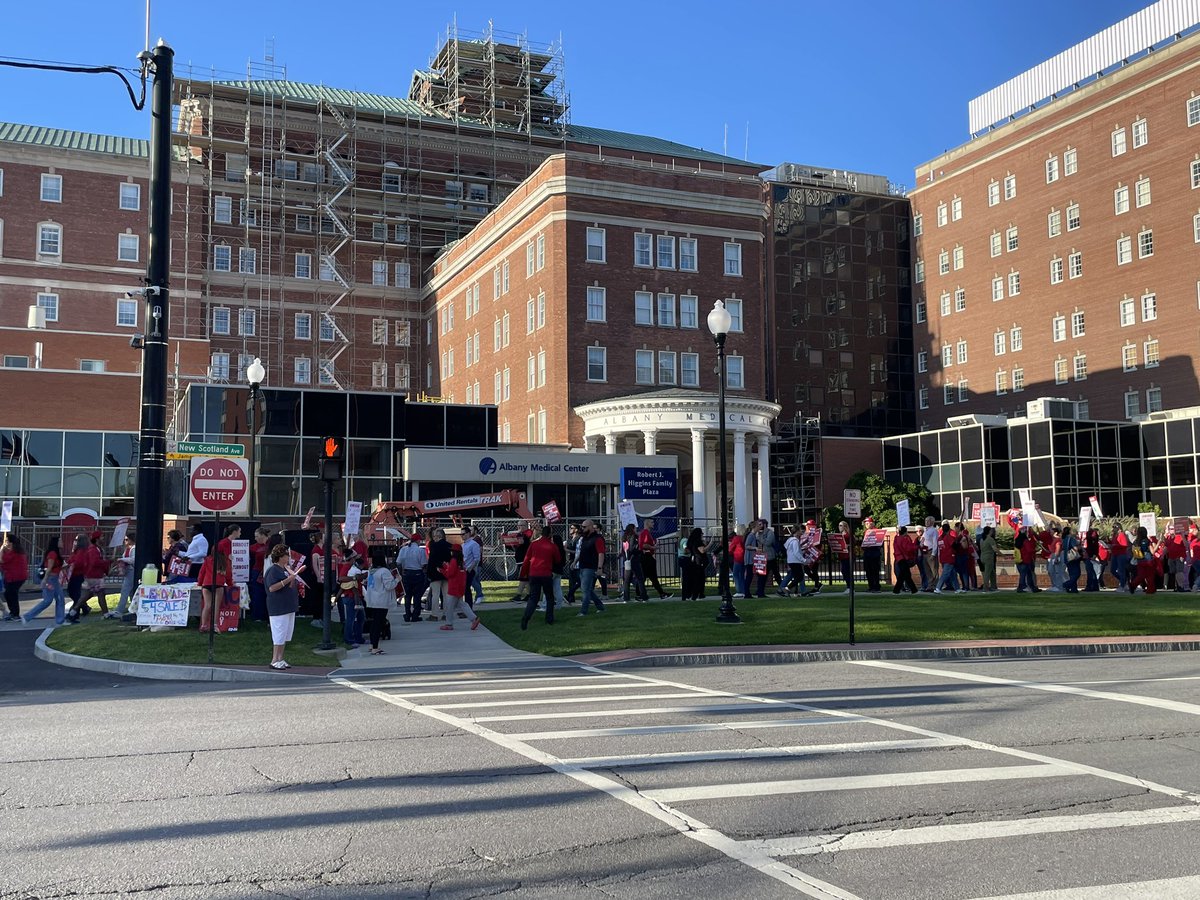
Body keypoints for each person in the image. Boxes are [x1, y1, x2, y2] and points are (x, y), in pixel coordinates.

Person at [263, 544, 302, 669]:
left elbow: (290, 586)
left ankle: (281, 658)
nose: (288, 558)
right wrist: (287, 579)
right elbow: (272, 587)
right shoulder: (272, 570)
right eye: (286, 555)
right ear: (279, 557)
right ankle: (274, 659)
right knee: (279, 633)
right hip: (278, 607)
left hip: (288, 606)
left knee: (285, 634)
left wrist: (292, 577)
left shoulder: (284, 569)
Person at [520, 525, 563, 629]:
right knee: (549, 597)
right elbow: (558, 560)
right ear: (550, 535)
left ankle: (526, 617)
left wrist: (523, 574)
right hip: (546, 574)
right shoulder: (552, 546)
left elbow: (526, 560)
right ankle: (549, 619)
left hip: (534, 574)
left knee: (533, 598)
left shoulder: (534, 544)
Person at [24, 536, 66, 625]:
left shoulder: (56, 553)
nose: (62, 543)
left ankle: (60, 620)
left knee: (60, 599)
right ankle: (27, 616)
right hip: (50, 580)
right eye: (60, 541)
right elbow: (49, 568)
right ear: (56, 543)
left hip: (54, 579)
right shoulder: (52, 554)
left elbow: (56, 567)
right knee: (48, 600)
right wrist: (44, 580)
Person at [362, 551, 397, 654]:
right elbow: (389, 586)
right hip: (381, 600)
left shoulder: (371, 571)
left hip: (372, 599)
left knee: (374, 623)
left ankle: (372, 644)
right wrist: (397, 580)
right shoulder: (384, 571)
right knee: (379, 624)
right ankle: (375, 647)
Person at [438, 546, 479, 631]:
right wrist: (446, 567)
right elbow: (455, 572)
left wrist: (442, 570)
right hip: (460, 587)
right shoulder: (462, 562)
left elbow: (450, 574)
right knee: (462, 604)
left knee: (449, 606)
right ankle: (473, 619)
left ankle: (449, 624)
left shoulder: (454, 561)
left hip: (453, 587)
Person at [197, 548, 233, 633]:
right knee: (216, 606)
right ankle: (215, 625)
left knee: (207, 605)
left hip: (207, 584)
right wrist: (230, 583)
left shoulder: (207, 560)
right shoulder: (224, 561)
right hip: (218, 584)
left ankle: (203, 625)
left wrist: (199, 583)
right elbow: (228, 574)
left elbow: (202, 572)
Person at [77, 531, 112, 618]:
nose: (103, 538)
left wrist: (106, 569)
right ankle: (106, 614)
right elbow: (95, 562)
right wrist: (108, 562)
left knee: (88, 595)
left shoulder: (97, 549)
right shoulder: (93, 549)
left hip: (93, 575)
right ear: (97, 539)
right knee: (100, 594)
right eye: (102, 537)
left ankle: (73, 611)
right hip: (95, 576)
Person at [576, 519, 607, 615]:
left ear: (590, 526)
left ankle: (583, 611)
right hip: (582, 565)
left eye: (584, 527)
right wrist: (575, 561)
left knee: (585, 590)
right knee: (587, 589)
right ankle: (600, 607)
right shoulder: (585, 538)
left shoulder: (598, 539)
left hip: (590, 567)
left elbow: (601, 554)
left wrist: (599, 568)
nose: (582, 528)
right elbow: (582, 552)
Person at [397, 532, 428, 623]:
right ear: (418, 541)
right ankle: (415, 614)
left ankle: (407, 614)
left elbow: (398, 562)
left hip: (406, 573)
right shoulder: (420, 551)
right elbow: (423, 564)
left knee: (407, 595)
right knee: (417, 596)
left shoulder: (403, 549)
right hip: (417, 573)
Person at [638, 519, 671, 600]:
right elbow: (644, 545)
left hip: (647, 557)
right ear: (647, 523)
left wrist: (654, 546)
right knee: (651, 576)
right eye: (652, 522)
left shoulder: (646, 533)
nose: (653, 524)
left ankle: (641, 594)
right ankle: (661, 594)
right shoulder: (645, 533)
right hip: (647, 557)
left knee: (647, 577)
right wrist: (653, 547)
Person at [425, 528, 453, 621]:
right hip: (447, 572)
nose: (434, 538)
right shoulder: (450, 546)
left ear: (439, 536)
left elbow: (431, 560)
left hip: (435, 573)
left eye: (435, 536)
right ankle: (446, 614)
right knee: (446, 595)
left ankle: (435, 614)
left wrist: (429, 573)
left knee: (435, 594)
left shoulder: (434, 546)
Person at [0, 534, 29, 621]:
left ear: (12, 543)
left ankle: (15, 613)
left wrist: (1, 549)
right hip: (12, 576)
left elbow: (2, 560)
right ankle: (13, 613)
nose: (6, 543)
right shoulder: (15, 551)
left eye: (7, 541)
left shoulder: (15, 552)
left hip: (16, 577)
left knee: (11, 594)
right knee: (9, 594)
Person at [110, 533, 137, 619]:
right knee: (131, 591)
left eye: (126, 540)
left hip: (131, 570)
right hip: (127, 570)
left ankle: (120, 610)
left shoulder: (134, 548)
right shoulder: (127, 549)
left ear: (131, 540)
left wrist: (122, 559)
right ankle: (133, 609)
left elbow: (133, 560)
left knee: (125, 590)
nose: (125, 541)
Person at [620, 524, 648, 603]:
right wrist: (640, 551)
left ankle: (626, 598)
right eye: (635, 528)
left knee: (627, 580)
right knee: (640, 578)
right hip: (634, 560)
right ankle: (644, 596)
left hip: (627, 560)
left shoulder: (624, 538)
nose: (636, 529)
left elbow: (623, 550)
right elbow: (632, 549)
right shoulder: (633, 537)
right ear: (632, 529)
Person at [248, 527, 271, 621]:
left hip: (267, 572)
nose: (255, 538)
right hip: (258, 572)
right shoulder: (255, 546)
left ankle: (266, 614)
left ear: (262, 535)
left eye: (257, 536)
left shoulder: (270, 545)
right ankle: (258, 615)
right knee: (257, 594)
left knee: (267, 594)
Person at [64, 534, 89, 621]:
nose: (74, 541)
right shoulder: (76, 550)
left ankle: (76, 613)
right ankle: (84, 606)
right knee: (73, 592)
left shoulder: (82, 551)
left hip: (78, 574)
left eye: (76, 540)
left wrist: (71, 564)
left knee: (74, 593)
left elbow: (79, 562)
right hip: (74, 574)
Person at [780, 526, 808, 597]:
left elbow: (788, 549)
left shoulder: (789, 540)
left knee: (796, 576)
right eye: (799, 531)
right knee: (800, 577)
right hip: (796, 561)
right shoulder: (795, 541)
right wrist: (803, 560)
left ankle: (787, 589)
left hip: (790, 560)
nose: (800, 533)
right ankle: (787, 588)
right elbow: (796, 552)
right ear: (797, 531)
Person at [891, 526, 919, 594]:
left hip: (898, 558)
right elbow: (908, 548)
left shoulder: (896, 538)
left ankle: (899, 590)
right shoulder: (904, 539)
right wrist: (917, 546)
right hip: (903, 558)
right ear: (905, 532)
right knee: (906, 575)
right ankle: (912, 589)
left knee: (904, 575)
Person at [1129, 525, 1156, 594]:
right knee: (1149, 575)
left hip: (1140, 560)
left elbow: (1133, 551)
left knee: (1141, 575)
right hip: (1148, 560)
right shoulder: (1147, 541)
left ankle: (1133, 584)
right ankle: (1150, 589)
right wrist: (1158, 543)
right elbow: (1152, 551)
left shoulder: (1136, 541)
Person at [934, 523, 959, 594]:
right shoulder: (949, 537)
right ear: (949, 529)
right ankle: (938, 587)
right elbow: (955, 546)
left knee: (953, 574)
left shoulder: (939, 538)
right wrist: (957, 541)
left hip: (943, 557)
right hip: (949, 557)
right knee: (945, 574)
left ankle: (957, 588)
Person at [1015, 524, 1040, 592]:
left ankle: (1031, 587)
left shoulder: (1017, 540)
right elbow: (1029, 550)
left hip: (1020, 559)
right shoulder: (1025, 541)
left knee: (1025, 574)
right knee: (1027, 574)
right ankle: (1022, 587)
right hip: (1026, 559)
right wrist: (1036, 550)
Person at [461, 526, 482, 608]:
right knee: (464, 589)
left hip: (470, 569)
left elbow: (477, 558)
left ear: (469, 534)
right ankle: (466, 607)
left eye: (464, 534)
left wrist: (470, 568)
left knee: (467, 588)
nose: (462, 536)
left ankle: (469, 607)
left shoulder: (474, 544)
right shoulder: (463, 545)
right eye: (461, 534)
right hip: (463, 569)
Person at [861, 517, 882, 592]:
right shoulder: (866, 532)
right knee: (868, 570)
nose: (866, 525)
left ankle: (876, 587)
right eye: (865, 523)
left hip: (874, 553)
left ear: (872, 523)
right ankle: (871, 586)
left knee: (875, 571)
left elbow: (880, 542)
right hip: (867, 553)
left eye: (867, 523)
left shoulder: (876, 531)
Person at [1059, 525, 1081, 593]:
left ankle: (1073, 589)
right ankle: (1066, 584)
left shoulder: (1064, 539)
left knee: (1071, 574)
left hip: (1067, 558)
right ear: (1069, 532)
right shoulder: (1071, 539)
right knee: (1077, 573)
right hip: (1073, 558)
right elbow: (1075, 548)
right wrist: (1080, 547)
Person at [920, 516, 939, 591]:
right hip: (925, 552)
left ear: (932, 522)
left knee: (933, 569)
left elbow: (935, 543)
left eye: (928, 521)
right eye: (926, 520)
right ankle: (930, 585)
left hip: (930, 551)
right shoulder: (925, 530)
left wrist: (933, 554)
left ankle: (935, 586)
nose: (926, 522)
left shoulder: (934, 531)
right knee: (927, 570)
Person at [729, 525, 748, 599]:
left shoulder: (737, 538)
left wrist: (730, 551)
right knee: (742, 575)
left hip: (738, 557)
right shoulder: (745, 538)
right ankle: (743, 591)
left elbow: (731, 548)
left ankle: (739, 591)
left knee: (736, 574)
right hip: (744, 558)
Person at [836, 521, 855, 594]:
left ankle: (850, 587)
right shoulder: (840, 535)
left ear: (845, 526)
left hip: (848, 556)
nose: (839, 527)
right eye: (839, 525)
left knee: (848, 572)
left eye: (841, 525)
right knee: (844, 571)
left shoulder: (848, 535)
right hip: (842, 556)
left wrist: (848, 545)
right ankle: (849, 586)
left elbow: (853, 543)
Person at [978, 526, 998, 592]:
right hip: (989, 558)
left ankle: (993, 586)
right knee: (987, 573)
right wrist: (1002, 554)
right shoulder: (990, 539)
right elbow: (995, 549)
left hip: (982, 557)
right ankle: (985, 587)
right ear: (989, 531)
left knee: (992, 572)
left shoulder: (982, 539)